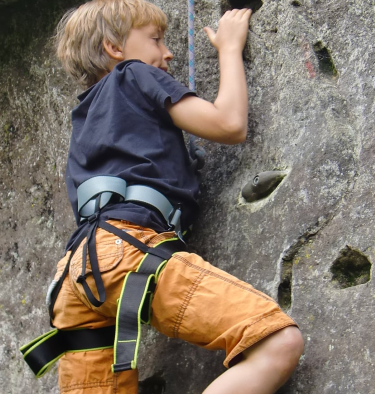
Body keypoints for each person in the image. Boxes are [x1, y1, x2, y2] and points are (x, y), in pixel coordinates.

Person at [49, 0, 303, 392]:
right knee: (275, 341)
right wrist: (230, 48)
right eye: (155, 39)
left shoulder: (86, 115)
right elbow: (229, 123)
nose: (166, 52)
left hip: (77, 276)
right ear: (115, 49)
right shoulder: (135, 73)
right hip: (127, 251)